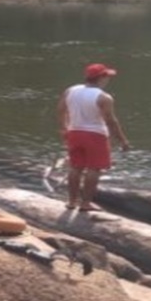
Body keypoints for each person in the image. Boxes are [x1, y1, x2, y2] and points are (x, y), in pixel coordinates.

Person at [57, 63, 131, 212]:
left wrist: (64, 127)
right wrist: (123, 140)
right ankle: (85, 203)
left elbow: (60, 110)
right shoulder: (104, 97)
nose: (108, 79)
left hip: (74, 132)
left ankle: (71, 201)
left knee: (75, 167)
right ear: (101, 78)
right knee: (94, 169)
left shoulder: (71, 90)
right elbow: (111, 121)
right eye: (107, 76)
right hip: (95, 135)